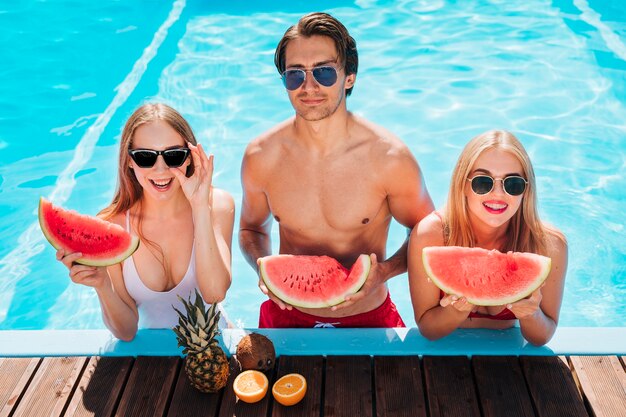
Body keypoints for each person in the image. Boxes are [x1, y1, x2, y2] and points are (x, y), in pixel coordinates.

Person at [239, 12, 434, 328]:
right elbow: (251, 229)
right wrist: (262, 266)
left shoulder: (389, 157)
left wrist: (384, 272)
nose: (309, 85)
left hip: (369, 317)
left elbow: (429, 233)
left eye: (324, 72)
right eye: (295, 75)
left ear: (349, 77)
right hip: (284, 316)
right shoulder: (261, 156)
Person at [56, 103, 234, 341]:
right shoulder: (113, 226)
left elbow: (215, 293)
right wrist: (102, 285)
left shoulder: (218, 205)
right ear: (129, 161)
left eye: (173, 156)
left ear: (190, 157)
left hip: (217, 348)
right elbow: (126, 331)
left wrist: (200, 206)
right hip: (149, 364)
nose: (161, 170)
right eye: (145, 157)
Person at [408, 129, 568, 345]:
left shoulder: (549, 245)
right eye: (483, 182)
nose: (498, 194)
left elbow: (542, 337)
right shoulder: (431, 235)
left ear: (525, 191)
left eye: (513, 184)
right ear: (463, 185)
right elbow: (428, 328)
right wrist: (455, 312)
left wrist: (531, 314)